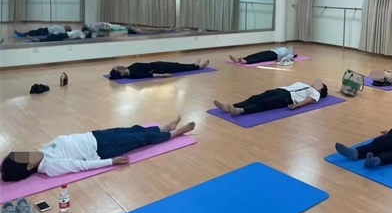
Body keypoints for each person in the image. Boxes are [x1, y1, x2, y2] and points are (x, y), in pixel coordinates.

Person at [0, 114, 195, 181]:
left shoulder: (41, 152)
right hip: (102, 149)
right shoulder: (51, 167)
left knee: (133, 129)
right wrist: (110, 162)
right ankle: (175, 133)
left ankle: (163, 127)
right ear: (29, 166)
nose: (25, 152)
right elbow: (81, 165)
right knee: (141, 138)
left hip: (94, 136)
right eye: (23, 156)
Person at [214, 79, 328, 115]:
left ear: (321, 89)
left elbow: (309, 100)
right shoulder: (305, 84)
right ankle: (229, 106)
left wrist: (297, 106)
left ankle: (241, 110)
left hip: (287, 98)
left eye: (320, 84)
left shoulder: (316, 93)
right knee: (255, 98)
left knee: (264, 103)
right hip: (280, 90)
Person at [109, 59, 210, 80]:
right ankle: (199, 67)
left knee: (177, 64)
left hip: (157, 63)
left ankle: (193, 64)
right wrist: (163, 75)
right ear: (121, 73)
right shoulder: (134, 74)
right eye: (118, 68)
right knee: (178, 67)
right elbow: (150, 75)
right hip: (160, 68)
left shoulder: (128, 68)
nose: (119, 66)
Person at [229, 47, 296, 65]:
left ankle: (246, 61)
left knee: (260, 58)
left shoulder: (290, 54)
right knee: (256, 54)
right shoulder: (285, 48)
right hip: (271, 51)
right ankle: (239, 59)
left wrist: (279, 60)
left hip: (275, 55)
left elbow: (286, 58)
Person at [27, 28, 92, 42]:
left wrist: (69, 40)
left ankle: (38, 40)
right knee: (51, 36)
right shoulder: (81, 32)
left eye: (87, 31)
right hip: (65, 34)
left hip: (66, 36)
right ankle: (38, 39)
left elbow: (78, 38)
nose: (86, 31)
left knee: (51, 38)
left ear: (87, 33)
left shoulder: (83, 35)